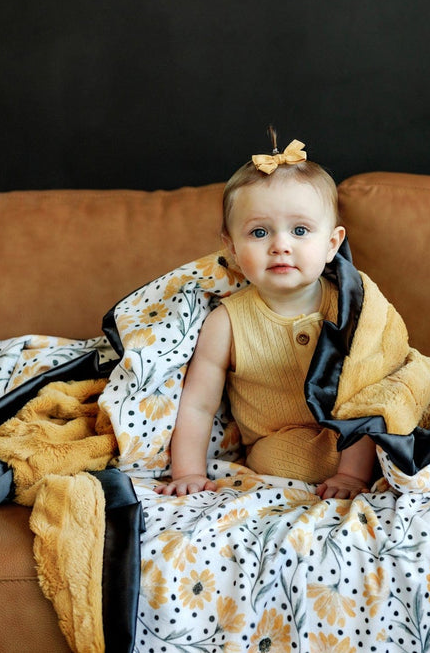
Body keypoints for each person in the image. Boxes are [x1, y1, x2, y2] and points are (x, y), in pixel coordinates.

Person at [155, 131, 376, 500]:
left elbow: (370, 391)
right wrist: (188, 472)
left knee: (386, 409)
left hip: (354, 433)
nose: (280, 245)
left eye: (300, 230)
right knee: (275, 461)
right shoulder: (226, 323)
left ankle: (361, 470)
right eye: (259, 232)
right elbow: (198, 405)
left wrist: (352, 475)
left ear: (331, 244)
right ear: (232, 248)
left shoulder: (352, 307)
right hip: (279, 442)